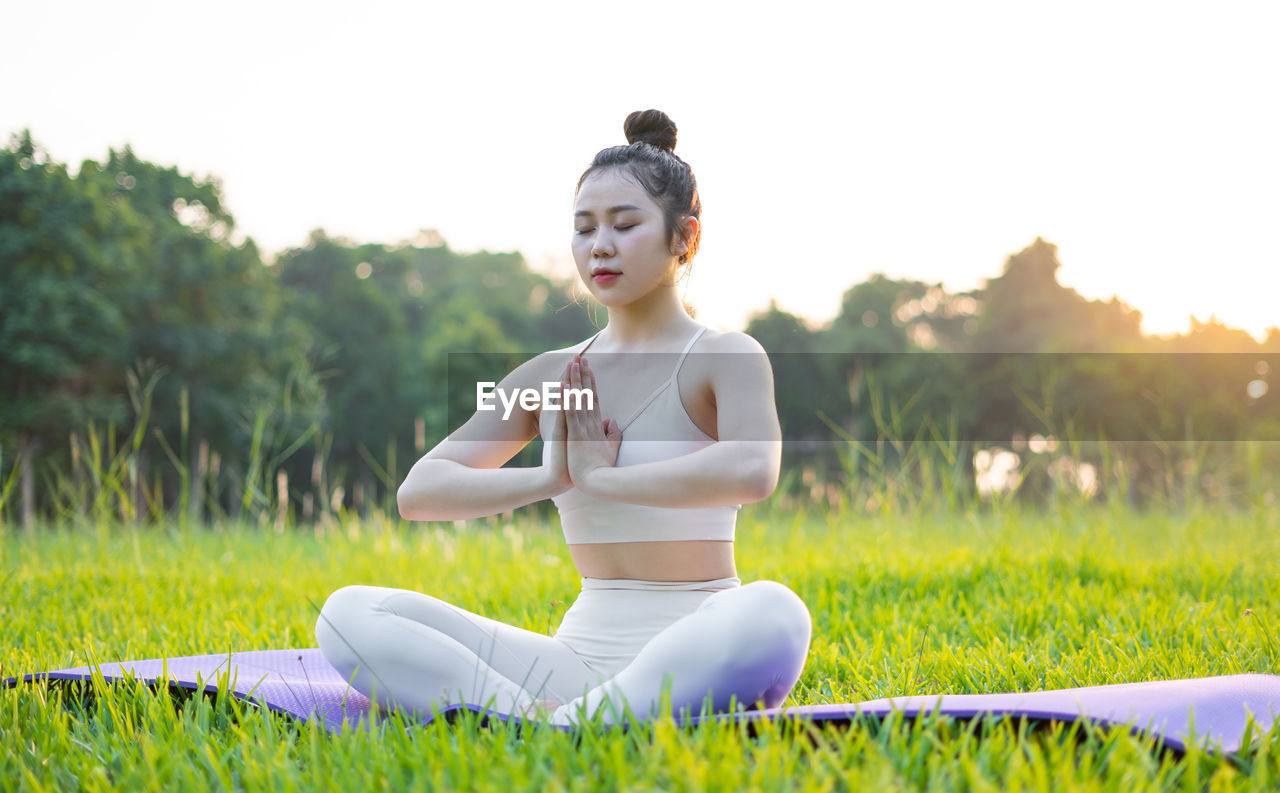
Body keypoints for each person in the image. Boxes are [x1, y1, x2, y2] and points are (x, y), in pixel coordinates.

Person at [314, 109, 812, 728]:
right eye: (584, 229)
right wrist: (552, 477)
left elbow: (752, 468)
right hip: (574, 659)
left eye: (625, 225)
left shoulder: (722, 356)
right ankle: (542, 721)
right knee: (348, 612)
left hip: (701, 643)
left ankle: (565, 725)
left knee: (776, 612)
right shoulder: (554, 378)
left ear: (683, 236)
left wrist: (603, 479)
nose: (599, 245)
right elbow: (420, 491)